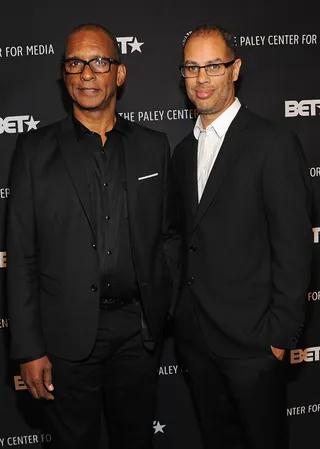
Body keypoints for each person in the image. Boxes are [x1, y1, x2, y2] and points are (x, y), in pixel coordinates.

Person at [7, 23, 180, 449]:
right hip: (65, 336)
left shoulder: (153, 145)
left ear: (119, 74)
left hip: (136, 334)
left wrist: (162, 305)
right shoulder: (33, 152)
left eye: (99, 62)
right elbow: (21, 255)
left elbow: (170, 235)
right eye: (75, 63)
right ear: (65, 76)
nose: (87, 73)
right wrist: (29, 349)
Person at [172, 24, 313, 449]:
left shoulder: (274, 144)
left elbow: (294, 247)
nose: (201, 79)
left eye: (213, 66)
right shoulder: (182, 152)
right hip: (196, 340)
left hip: (254, 345)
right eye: (191, 68)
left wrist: (278, 338)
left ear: (235, 69)